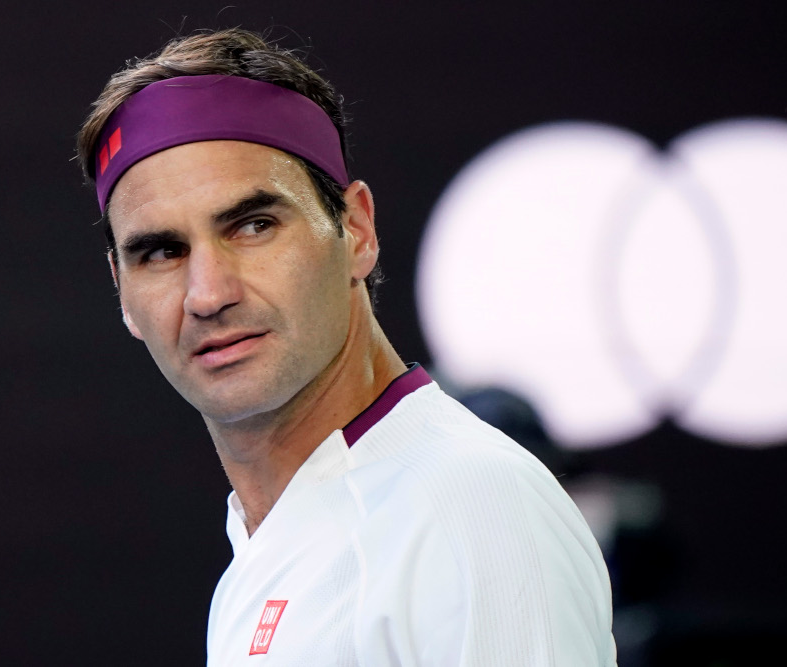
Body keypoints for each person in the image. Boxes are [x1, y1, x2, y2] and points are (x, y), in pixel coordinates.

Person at [77, 28, 617, 666]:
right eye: (162, 252)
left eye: (253, 226)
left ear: (356, 230)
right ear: (122, 291)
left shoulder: (470, 508)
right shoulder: (269, 542)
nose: (208, 293)